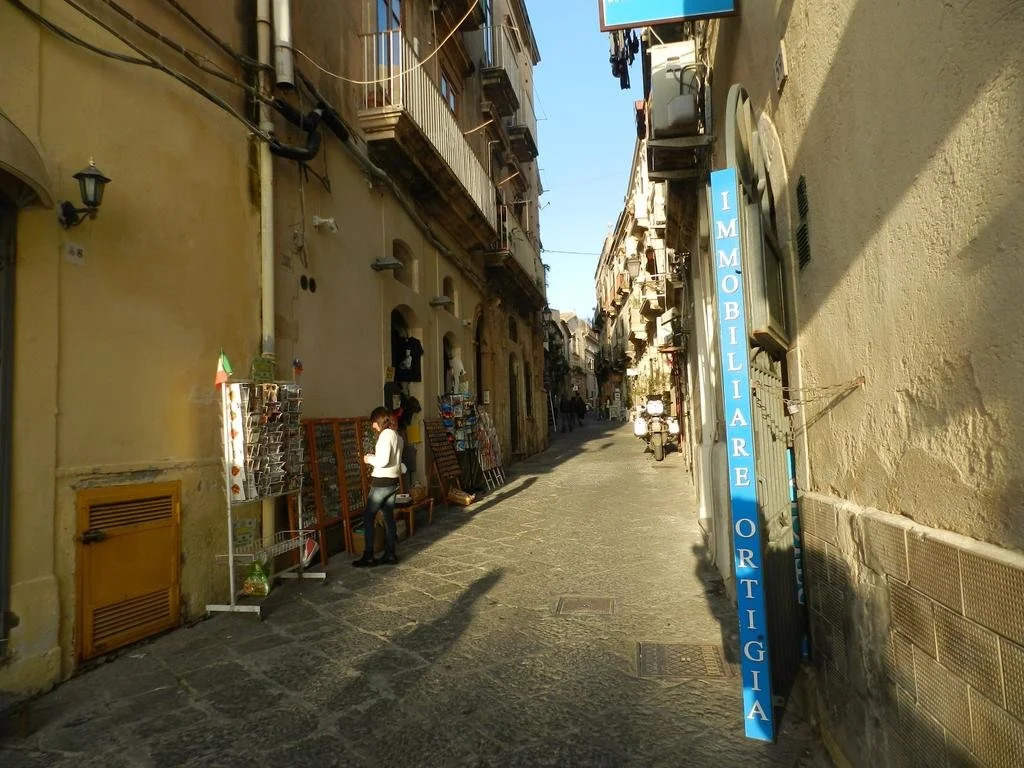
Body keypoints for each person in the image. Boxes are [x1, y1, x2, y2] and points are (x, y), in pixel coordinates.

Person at [353, 406, 404, 567]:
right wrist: (375, 457)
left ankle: (368, 555)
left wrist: (368, 459)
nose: (373, 426)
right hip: (393, 481)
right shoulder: (397, 436)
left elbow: (383, 461)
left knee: (368, 516)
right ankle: (390, 554)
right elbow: (393, 459)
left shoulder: (385, 435)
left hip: (381, 482)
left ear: (379, 421)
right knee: (388, 518)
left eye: (374, 423)